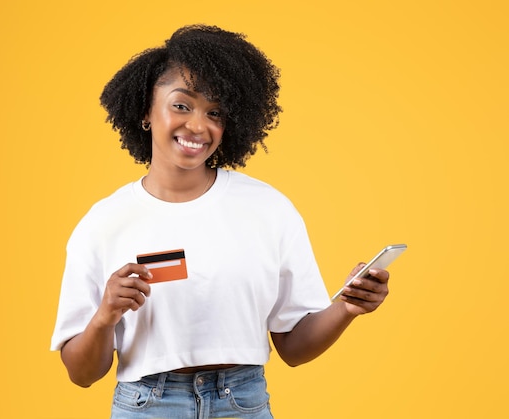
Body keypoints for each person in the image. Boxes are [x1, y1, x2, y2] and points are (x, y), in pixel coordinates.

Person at [50, 24, 390, 419]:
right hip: (147, 407)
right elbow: (81, 373)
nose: (198, 126)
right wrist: (105, 315)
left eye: (215, 113)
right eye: (181, 105)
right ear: (145, 110)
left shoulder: (268, 209)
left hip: (242, 403)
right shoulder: (103, 223)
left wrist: (347, 307)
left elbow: (294, 349)